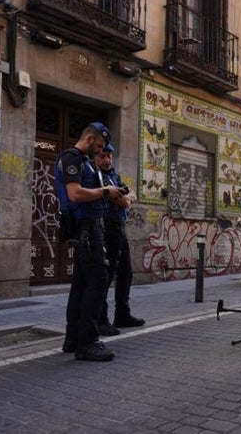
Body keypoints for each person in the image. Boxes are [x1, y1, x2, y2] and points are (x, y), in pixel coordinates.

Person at [55, 121, 125, 361]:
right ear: (90, 139)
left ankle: (73, 338)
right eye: (100, 145)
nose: (101, 151)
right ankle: (88, 341)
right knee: (98, 280)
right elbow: (75, 194)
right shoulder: (72, 158)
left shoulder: (85, 162)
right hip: (85, 229)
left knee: (81, 285)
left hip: (92, 228)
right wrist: (107, 192)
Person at [95, 143, 146, 336]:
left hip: (119, 229)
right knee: (105, 276)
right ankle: (101, 320)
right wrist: (125, 198)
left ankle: (122, 314)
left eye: (109, 156)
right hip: (107, 229)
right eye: (102, 156)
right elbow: (124, 201)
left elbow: (132, 193)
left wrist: (126, 197)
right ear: (95, 158)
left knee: (126, 273)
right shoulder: (98, 177)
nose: (107, 160)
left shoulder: (114, 176)